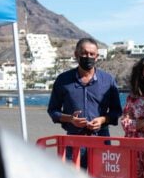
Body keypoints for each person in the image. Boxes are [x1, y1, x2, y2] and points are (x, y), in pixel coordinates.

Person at [47, 37, 122, 168]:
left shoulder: (108, 80)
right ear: (76, 55)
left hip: (101, 138)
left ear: (97, 56)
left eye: (92, 54)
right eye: (84, 53)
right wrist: (70, 119)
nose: (88, 57)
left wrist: (102, 119)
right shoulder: (63, 80)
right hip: (73, 139)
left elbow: (117, 111)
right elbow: (53, 110)